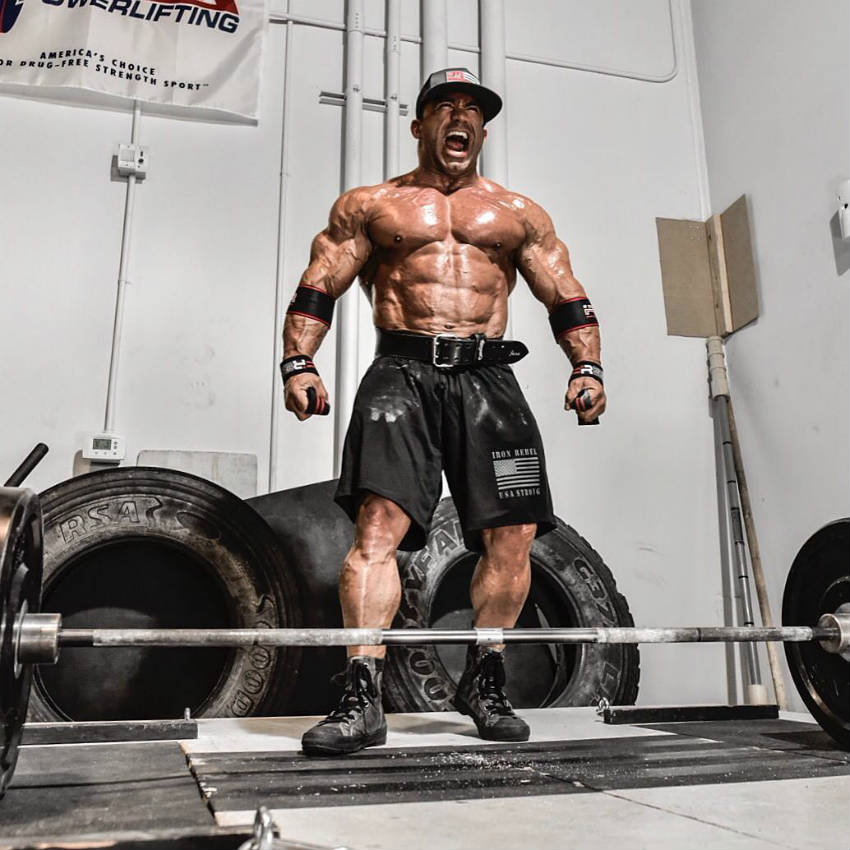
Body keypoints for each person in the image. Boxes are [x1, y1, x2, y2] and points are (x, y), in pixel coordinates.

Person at [280, 68, 606, 756]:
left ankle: (484, 680)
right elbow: (321, 283)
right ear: (420, 125)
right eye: (445, 108)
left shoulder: (517, 214)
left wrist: (587, 368)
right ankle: (362, 695)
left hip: (489, 379)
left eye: (472, 112)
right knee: (379, 528)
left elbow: (564, 294)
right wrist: (298, 362)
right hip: (402, 374)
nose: (459, 120)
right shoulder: (373, 205)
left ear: (482, 131)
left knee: (514, 534)